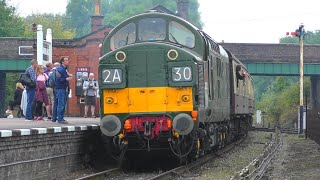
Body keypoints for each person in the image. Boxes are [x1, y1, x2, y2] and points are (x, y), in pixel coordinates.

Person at [52, 56, 72, 124]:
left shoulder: (60, 69)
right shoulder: (62, 69)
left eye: (67, 60)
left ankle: (54, 118)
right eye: (66, 60)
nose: (68, 61)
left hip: (57, 88)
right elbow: (59, 79)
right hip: (61, 88)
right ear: (62, 62)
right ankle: (60, 119)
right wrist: (67, 79)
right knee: (61, 104)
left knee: (56, 103)